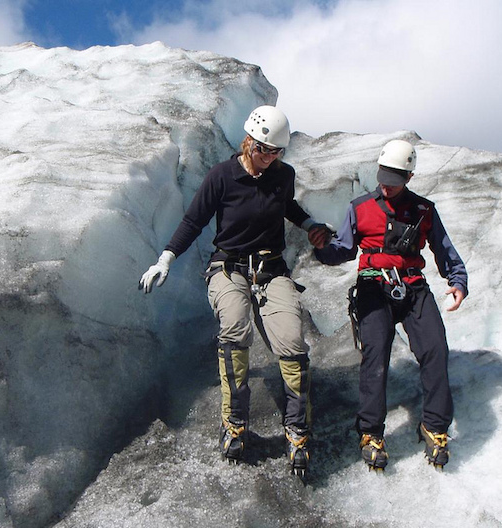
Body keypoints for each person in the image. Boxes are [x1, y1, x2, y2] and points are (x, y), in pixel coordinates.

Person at [139, 106, 332, 477]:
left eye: (277, 152)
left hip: (271, 268)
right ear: (249, 142)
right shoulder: (222, 176)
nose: (270, 158)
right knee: (236, 328)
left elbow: (286, 205)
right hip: (228, 267)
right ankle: (235, 423)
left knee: (292, 342)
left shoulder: (283, 175)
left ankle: (297, 429)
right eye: (265, 151)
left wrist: (309, 224)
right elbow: (194, 220)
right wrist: (165, 259)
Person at [315, 139, 468, 471]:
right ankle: (371, 432)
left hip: (413, 286)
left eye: (394, 180)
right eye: (383, 176)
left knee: (435, 350)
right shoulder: (359, 208)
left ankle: (435, 425)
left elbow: (444, 251)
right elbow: (343, 249)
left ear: (409, 178)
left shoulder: (424, 210)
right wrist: (323, 249)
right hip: (373, 287)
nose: (385, 184)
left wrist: (457, 281)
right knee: (376, 356)